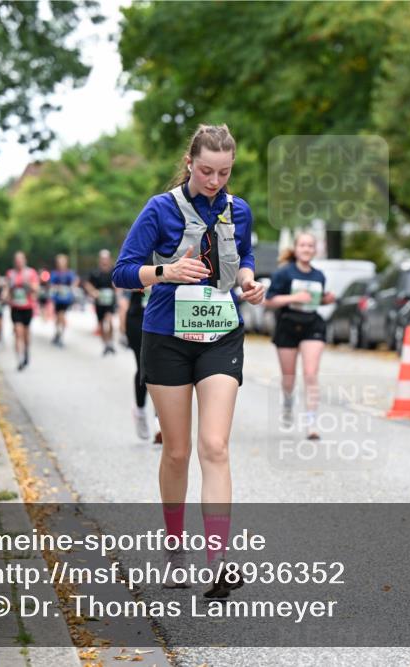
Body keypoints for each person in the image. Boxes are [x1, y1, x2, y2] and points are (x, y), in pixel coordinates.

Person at [112, 123, 264, 598]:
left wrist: (249, 281)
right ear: (189, 164)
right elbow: (121, 272)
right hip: (167, 337)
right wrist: (165, 271)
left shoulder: (239, 210)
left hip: (221, 335)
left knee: (214, 446)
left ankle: (219, 561)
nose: (215, 181)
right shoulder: (159, 210)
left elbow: (244, 255)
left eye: (223, 172)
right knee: (177, 451)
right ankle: (175, 551)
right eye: (206, 171)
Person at [264, 233, 336, 440]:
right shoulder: (284, 273)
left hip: (311, 324)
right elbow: (268, 301)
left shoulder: (319, 275)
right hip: (287, 324)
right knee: (289, 378)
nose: (306, 249)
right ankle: (288, 401)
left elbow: (314, 301)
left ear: (314, 250)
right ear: (296, 249)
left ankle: (311, 423)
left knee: (311, 373)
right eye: (302, 245)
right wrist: (294, 297)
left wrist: (326, 300)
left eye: (310, 246)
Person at [124, 286, 158, 442]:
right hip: (138, 318)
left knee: (164, 370)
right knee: (144, 366)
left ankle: (160, 421)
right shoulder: (142, 261)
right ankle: (140, 410)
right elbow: (123, 280)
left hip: (163, 316)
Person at [5, 251, 39, 371]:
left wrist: (27, 284)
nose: (19, 262)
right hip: (15, 308)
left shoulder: (31, 273)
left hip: (27, 307)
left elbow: (36, 289)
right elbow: (7, 289)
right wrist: (4, 297)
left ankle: (26, 351)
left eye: (21, 260)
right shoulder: (10, 274)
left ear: (25, 260)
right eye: (17, 260)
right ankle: (19, 359)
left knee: (26, 334)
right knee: (18, 332)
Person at [86, 250, 119, 356]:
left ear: (109, 259)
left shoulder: (114, 271)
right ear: (100, 260)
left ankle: (110, 343)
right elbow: (87, 284)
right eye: (103, 259)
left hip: (110, 301)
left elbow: (119, 283)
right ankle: (105, 344)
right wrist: (93, 291)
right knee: (100, 325)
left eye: (106, 258)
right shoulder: (95, 272)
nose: (104, 261)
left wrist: (117, 288)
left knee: (109, 320)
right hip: (99, 301)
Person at [50, 254, 78, 347]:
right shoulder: (55, 273)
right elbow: (51, 284)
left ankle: (60, 334)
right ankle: (58, 333)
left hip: (66, 299)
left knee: (61, 315)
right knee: (58, 317)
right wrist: (57, 288)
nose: (61, 264)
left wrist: (72, 286)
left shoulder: (69, 273)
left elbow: (75, 281)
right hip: (57, 299)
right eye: (59, 262)